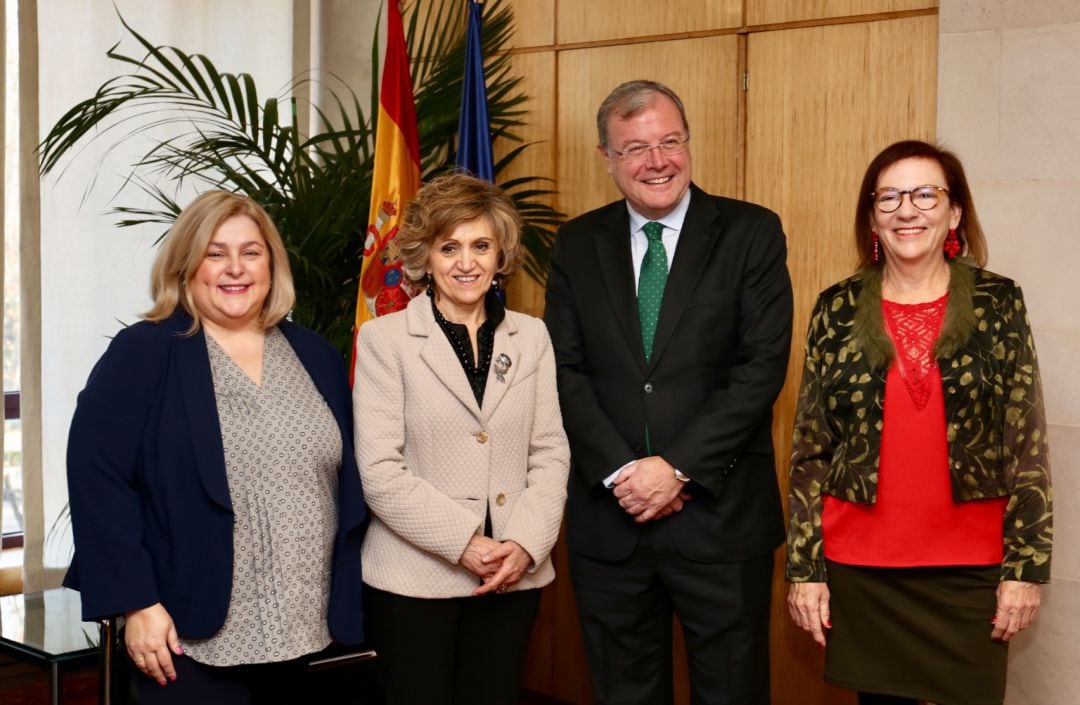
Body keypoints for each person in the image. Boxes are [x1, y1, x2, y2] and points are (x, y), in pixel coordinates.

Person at [544, 79, 793, 705]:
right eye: (635, 148)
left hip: (721, 520)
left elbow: (761, 366)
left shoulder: (751, 232)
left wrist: (677, 468)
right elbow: (564, 370)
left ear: (687, 143)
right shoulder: (576, 245)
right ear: (607, 158)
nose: (657, 162)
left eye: (670, 142)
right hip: (612, 522)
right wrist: (625, 472)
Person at [65, 191, 367, 703]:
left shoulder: (314, 354)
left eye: (251, 252)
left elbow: (347, 480)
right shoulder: (145, 351)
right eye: (215, 252)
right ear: (186, 266)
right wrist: (136, 604)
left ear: (271, 265)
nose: (235, 269)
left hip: (305, 630)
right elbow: (98, 480)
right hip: (187, 633)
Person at [786, 140, 1053, 705]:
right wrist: (805, 569)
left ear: (954, 212)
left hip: (971, 569)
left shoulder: (998, 302)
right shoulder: (835, 307)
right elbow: (810, 448)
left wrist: (1026, 567)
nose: (908, 210)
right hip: (862, 566)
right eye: (890, 198)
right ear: (872, 218)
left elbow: (1026, 442)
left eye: (925, 194)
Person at [352, 172, 569, 705]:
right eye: (449, 247)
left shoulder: (532, 335)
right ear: (424, 256)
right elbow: (379, 471)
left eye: (480, 246)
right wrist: (467, 544)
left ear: (501, 255)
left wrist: (523, 545)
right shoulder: (385, 340)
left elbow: (550, 451)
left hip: (512, 576)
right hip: (414, 579)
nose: (466, 262)